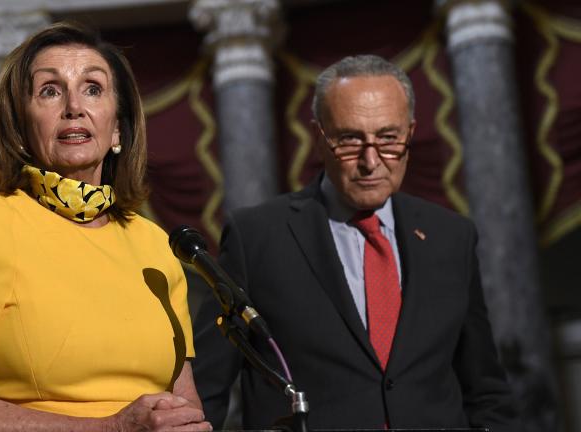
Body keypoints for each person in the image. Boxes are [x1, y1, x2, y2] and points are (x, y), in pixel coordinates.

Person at [0, 22, 211, 432]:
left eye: (93, 88)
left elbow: (184, 405)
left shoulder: (156, 244)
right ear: (21, 126)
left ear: (118, 127)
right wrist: (110, 429)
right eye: (49, 90)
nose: (73, 107)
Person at [192, 55, 517, 431]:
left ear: (410, 133)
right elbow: (205, 387)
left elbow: (485, 388)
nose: (371, 160)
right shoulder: (258, 236)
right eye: (350, 140)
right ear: (319, 138)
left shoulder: (451, 237)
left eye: (388, 139)